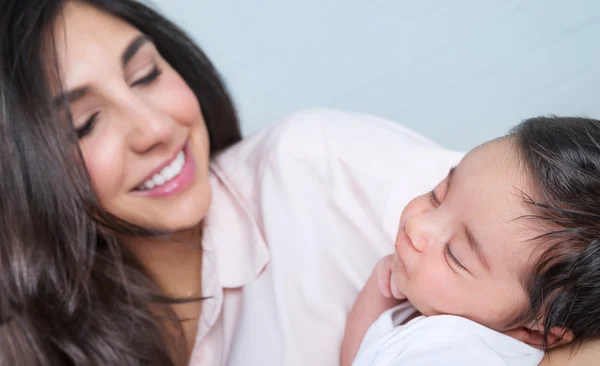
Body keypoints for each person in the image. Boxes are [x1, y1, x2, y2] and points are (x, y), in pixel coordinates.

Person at [0, 0, 597, 365]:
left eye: (147, 73)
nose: (156, 127)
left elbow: (566, 258)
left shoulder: (313, 169)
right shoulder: (32, 342)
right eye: (85, 123)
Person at [341, 116, 600, 365]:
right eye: (437, 196)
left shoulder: (456, 353)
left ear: (532, 332)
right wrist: (380, 288)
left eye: (454, 255)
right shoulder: (445, 319)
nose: (415, 225)